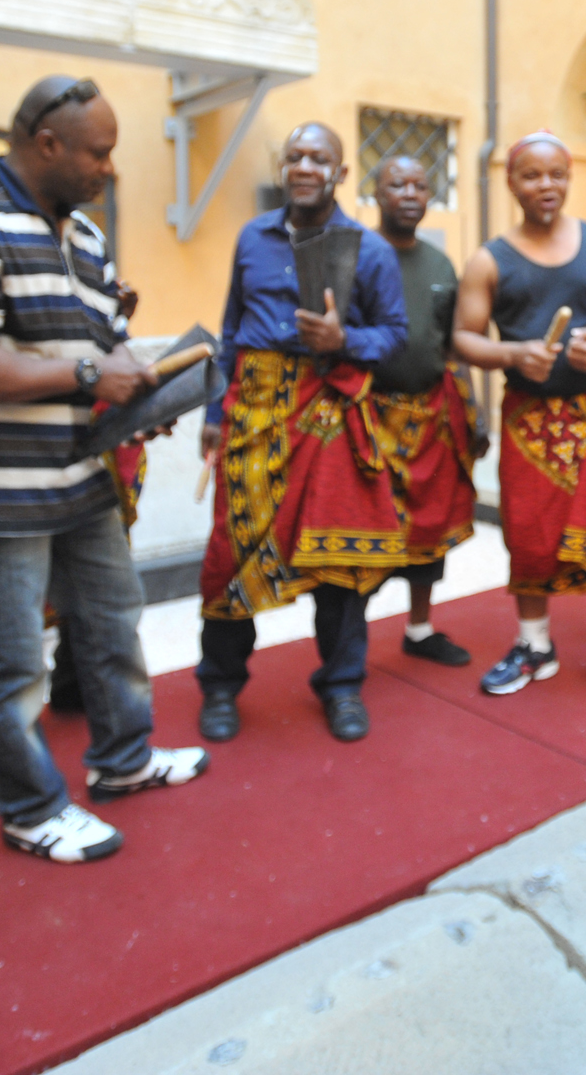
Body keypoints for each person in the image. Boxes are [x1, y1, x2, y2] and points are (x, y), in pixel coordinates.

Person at [0, 75, 207, 865]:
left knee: (113, 626)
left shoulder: (87, 237)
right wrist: (86, 379)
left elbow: (101, 344)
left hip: (83, 476)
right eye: (99, 153)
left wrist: (140, 393)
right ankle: (31, 809)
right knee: (8, 663)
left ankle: (124, 761)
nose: (108, 168)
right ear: (46, 144)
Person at [197, 123, 410, 742]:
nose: (306, 166)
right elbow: (230, 331)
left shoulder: (368, 249)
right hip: (254, 409)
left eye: (320, 158)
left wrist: (345, 340)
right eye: (296, 156)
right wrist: (215, 414)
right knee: (229, 556)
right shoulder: (251, 238)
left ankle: (342, 686)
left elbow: (395, 334)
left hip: (328, 410)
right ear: (283, 168)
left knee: (338, 559)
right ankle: (219, 684)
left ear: (341, 173)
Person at [453, 132, 586, 704]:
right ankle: (534, 646)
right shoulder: (489, 259)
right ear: (511, 182)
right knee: (528, 535)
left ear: (568, 178)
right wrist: (513, 354)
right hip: (530, 419)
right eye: (531, 175)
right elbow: (464, 339)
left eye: (555, 174)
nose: (545, 185)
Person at [366, 155, 485, 667]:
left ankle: (419, 629)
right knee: (367, 532)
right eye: (398, 185)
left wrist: (474, 404)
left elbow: (454, 345)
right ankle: (347, 644)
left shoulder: (440, 264)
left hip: (430, 416)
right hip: (366, 420)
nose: (410, 194)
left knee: (429, 531)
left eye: (420, 185)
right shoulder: (360, 255)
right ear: (378, 193)